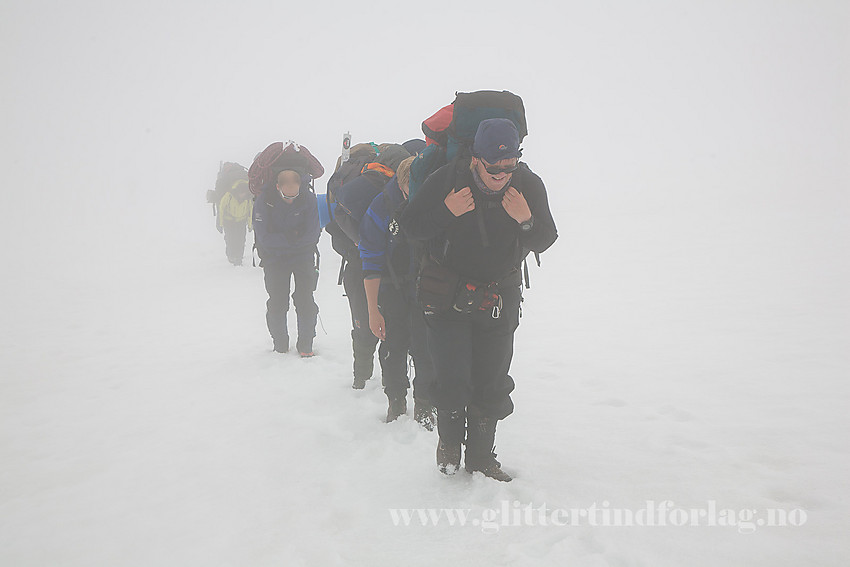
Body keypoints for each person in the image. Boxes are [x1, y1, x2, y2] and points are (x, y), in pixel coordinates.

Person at [401, 118, 558, 481]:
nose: (502, 175)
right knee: (452, 377)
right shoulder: (447, 180)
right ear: (476, 158)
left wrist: (526, 220)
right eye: (494, 167)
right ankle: (450, 444)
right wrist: (446, 210)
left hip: (499, 297)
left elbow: (545, 239)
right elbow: (411, 227)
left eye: (510, 166)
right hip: (446, 299)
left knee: (492, 380)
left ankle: (482, 458)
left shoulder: (527, 185)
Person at [359, 156, 436, 425]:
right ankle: (396, 402)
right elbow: (369, 259)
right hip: (391, 287)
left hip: (427, 285)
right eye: (409, 189)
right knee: (392, 346)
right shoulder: (382, 206)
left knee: (426, 348)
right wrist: (372, 310)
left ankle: (425, 404)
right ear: (400, 184)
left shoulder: (433, 201)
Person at [333, 144, 412, 389]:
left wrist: (359, 241)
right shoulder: (379, 193)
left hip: (362, 265)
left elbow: (337, 217)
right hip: (378, 268)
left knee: (368, 325)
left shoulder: (361, 190)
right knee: (381, 327)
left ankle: (361, 377)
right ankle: (364, 379)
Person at [253, 162, 321, 357]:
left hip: (303, 257)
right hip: (275, 259)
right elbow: (263, 237)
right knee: (277, 301)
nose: (291, 199)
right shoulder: (264, 200)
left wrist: (288, 240)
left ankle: (306, 345)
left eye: (294, 194)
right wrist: (292, 238)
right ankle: (280, 345)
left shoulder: (308, 198)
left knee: (305, 299)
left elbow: (313, 233)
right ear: (277, 187)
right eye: (286, 195)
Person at [216, 178, 253, 265]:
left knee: (241, 240)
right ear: (238, 191)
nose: (243, 195)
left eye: (244, 193)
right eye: (241, 193)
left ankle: (239, 259)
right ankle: (231, 255)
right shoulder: (228, 196)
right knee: (230, 239)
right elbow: (221, 209)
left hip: (241, 222)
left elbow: (250, 212)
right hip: (229, 222)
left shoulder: (248, 199)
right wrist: (220, 223)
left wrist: (250, 224)